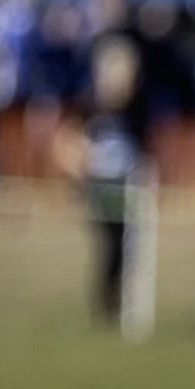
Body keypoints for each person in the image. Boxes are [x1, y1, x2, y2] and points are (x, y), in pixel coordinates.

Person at [55, 33, 151, 325]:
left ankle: (120, 302)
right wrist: (78, 167)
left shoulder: (137, 109)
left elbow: (145, 150)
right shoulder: (89, 105)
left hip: (127, 185)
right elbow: (66, 140)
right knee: (109, 244)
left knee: (126, 245)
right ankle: (105, 304)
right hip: (99, 186)